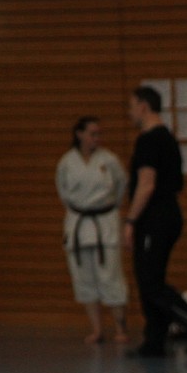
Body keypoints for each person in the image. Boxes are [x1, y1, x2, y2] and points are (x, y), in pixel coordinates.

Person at [122, 85, 187, 357]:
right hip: (167, 214)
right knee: (150, 278)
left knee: (150, 282)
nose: (129, 113)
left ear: (143, 106)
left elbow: (146, 184)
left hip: (155, 218)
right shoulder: (168, 138)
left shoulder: (149, 140)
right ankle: (154, 340)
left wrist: (130, 220)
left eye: (131, 106)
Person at [56, 116, 129, 345]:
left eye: (99, 134)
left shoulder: (109, 160)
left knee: (111, 277)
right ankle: (97, 330)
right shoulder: (67, 162)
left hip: (105, 220)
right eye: (92, 134)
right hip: (78, 222)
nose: (97, 138)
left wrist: (109, 207)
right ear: (79, 134)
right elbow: (63, 193)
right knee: (84, 279)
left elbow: (121, 186)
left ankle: (120, 328)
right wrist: (81, 209)